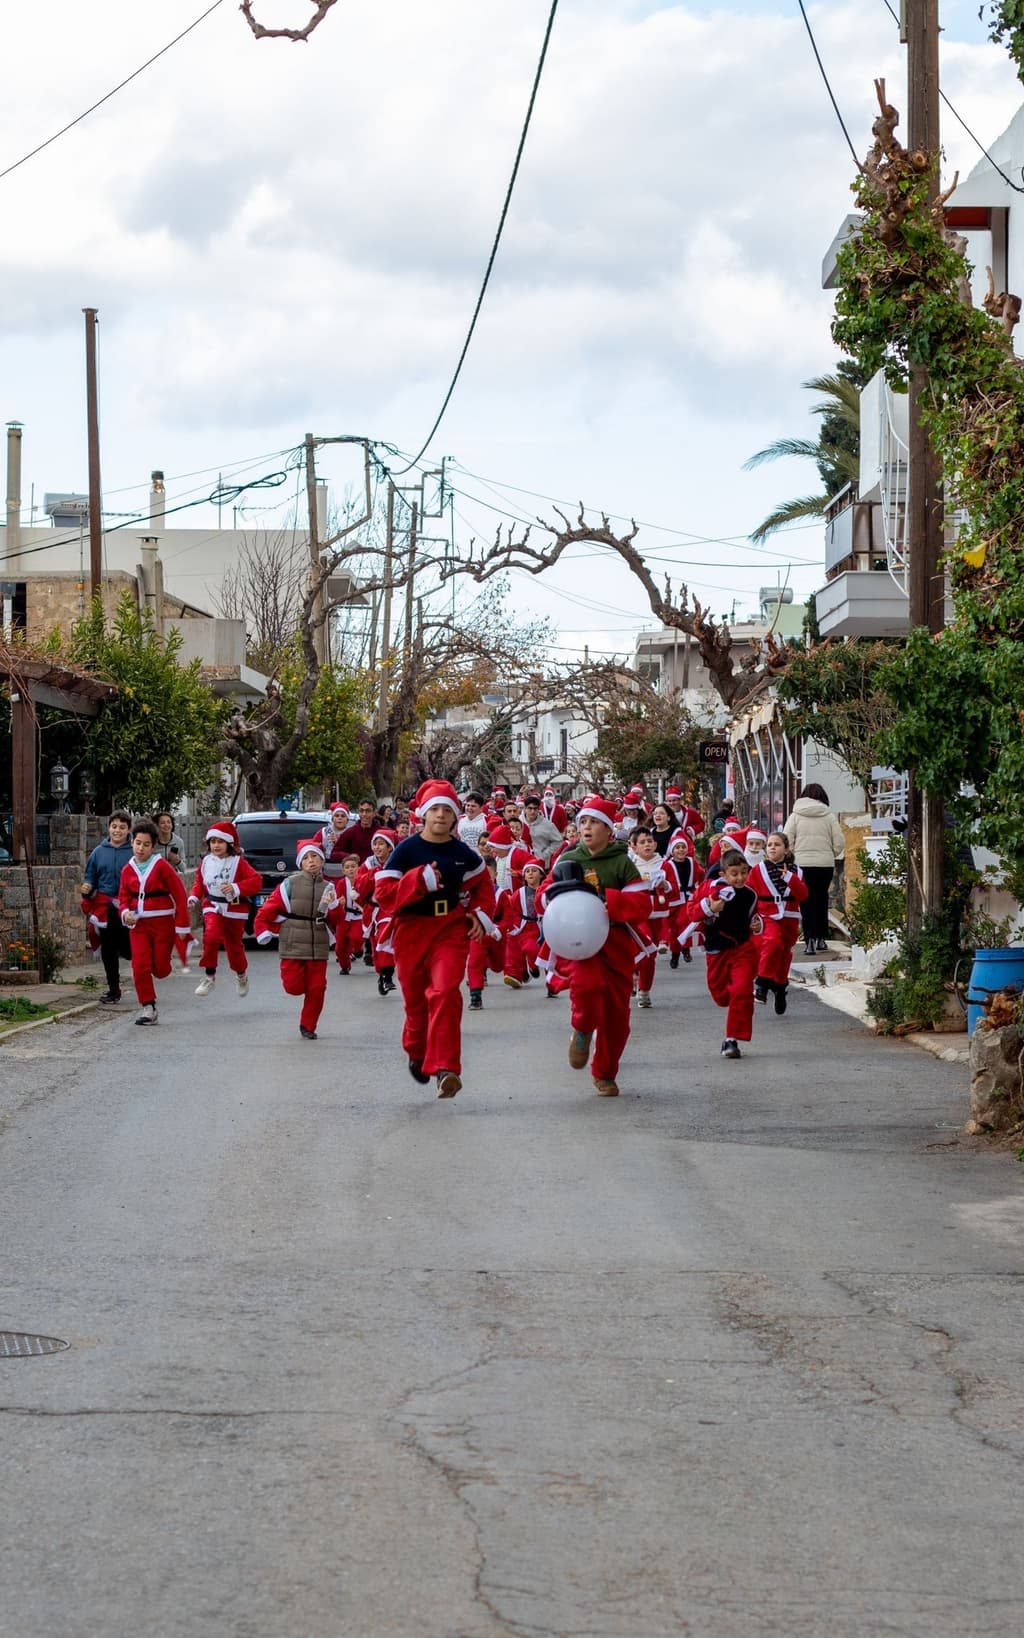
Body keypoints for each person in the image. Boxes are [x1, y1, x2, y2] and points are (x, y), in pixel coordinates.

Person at [374, 779, 496, 1098]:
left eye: (447, 810)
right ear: (423, 816)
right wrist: (419, 879)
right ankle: (417, 1050)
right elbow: (384, 894)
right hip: (411, 931)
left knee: (444, 992)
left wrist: (481, 915)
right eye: (435, 810)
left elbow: (483, 886)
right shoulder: (406, 850)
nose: (441, 816)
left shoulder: (462, 853)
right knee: (416, 1003)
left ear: (456, 818)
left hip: (450, 929)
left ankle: (446, 1068)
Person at [543, 793, 650, 1098]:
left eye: (593, 822)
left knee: (617, 1015)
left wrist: (607, 902)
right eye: (583, 822)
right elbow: (545, 899)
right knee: (587, 986)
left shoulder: (622, 862)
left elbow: (641, 903)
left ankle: (604, 1071)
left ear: (607, 828)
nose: (586, 827)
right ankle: (582, 1027)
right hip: (579, 945)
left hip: (615, 942)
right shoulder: (567, 859)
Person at [254, 837, 338, 1039]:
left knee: (317, 989)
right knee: (293, 986)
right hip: (292, 940)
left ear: (321, 861)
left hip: (318, 942)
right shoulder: (289, 884)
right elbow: (267, 910)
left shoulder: (329, 887)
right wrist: (262, 930)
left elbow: (337, 920)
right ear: (300, 863)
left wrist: (333, 906)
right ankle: (300, 998)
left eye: (315, 857)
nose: (311, 861)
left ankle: (308, 1026)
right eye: (306, 857)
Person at [683, 848, 762, 1059]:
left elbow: (754, 917)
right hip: (716, 948)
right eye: (734, 873)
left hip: (742, 948)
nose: (740, 877)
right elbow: (691, 912)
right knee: (720, 995)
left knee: (741, 989)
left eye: (744, 872)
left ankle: (732, 1039)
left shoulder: (750, 895)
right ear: (723, 874)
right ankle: (732, 1006)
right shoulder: (712, 890)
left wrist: (756, 925)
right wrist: (710, 906)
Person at [117, 818, 191, 1026]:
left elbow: (179, 893)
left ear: (153, 846)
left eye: (146, 844)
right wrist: (125, 914)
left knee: (160, 969)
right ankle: (148, 1007)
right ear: (132, 842)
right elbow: (123, 898)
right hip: (138, 926)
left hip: (162, 923)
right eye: (138, 843)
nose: (141, 848)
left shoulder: (162, 866)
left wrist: (182, 924)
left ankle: (164, 966)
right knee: (140, 965)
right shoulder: (127, 870)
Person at [187, 821, 262, 999]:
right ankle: (209, 976)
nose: (216, 845)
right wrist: (194, 897)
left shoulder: (238, 862)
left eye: (220, 841)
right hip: (212, 905)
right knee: (211, 936)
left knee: (233, 946)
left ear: (229, 844)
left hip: (235, 909)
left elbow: (256, 881)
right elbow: (199, 882)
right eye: (212, 842)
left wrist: (236, 887)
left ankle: (241, 975)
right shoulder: (206, 862)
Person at [783, 783, 846, 955]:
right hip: (825, 864)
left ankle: (809, 940)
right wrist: (829, 853)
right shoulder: (829, 816)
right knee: (821, 899)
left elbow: (786, 840)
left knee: (806, 900)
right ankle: (821, 939)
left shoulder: (795, 815)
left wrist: (796, 855)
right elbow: (839, 842)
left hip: (802, 864)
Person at [749, 832, 808, 1015]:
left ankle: (781, 987)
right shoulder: (758, 870)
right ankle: (762, 984)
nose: (772, 847)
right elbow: (750, 895)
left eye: (777, 844)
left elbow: (803, 895)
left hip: (789, 916)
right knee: (772, 943)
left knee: (783, 953)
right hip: (767, 914)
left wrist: (790, 879)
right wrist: (751, 918)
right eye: (770, 845)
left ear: (786, 849)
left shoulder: (797, 871)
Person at [83, 810, 134, 1005]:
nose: (117, 831)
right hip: (105, 906)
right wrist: (87, 887)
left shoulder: (134, 850)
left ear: (128, 829)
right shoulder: (98, 851)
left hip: (128, 906)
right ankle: (114, 989)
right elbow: (90, 876)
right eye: (114, 826)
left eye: (122, 827)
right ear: (109, 827)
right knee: (108, 949)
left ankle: (143, 974)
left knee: (129, 949)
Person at [503, 856, 545, 988]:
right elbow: (512, 909)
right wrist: (513, 923)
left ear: (541, 874)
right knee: (512, 944)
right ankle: (513, 974)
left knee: (532, 949)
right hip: (523, 925)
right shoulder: (519, 893)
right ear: (524, 877)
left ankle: (533, 966)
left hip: (540, 927)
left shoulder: (545, 891)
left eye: (534, 871)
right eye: (527, 871)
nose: (530, 873)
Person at [333, 855, 366, 975]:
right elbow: (338, 898)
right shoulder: (341, 883)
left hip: (359, 916)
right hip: (345, 916)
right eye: (347, 867)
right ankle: (345, 966)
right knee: (340, 947)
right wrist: (339, 901)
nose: (350, 869)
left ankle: (358, 949)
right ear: (343, 870)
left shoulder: (363, 881)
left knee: (356, 937)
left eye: (353, 866)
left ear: (358, 867)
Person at [332, 798, 383, 864]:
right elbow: (334, 854)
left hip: (378, 871)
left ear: (374, 813)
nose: (364, 814)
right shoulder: (350, 832)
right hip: (358, 872)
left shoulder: (382, 832)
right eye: (361, 811)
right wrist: (349, 856)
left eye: (368, 811)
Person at [520, 792, 562, 865]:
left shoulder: (547, 825)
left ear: (538, 809)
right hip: (521, 862)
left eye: (535, 808)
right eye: (530, 808)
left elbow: (558, 842)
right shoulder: (518, 823)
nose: (532, 811)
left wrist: (545, 853)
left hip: (541, 863)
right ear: (525, 809)